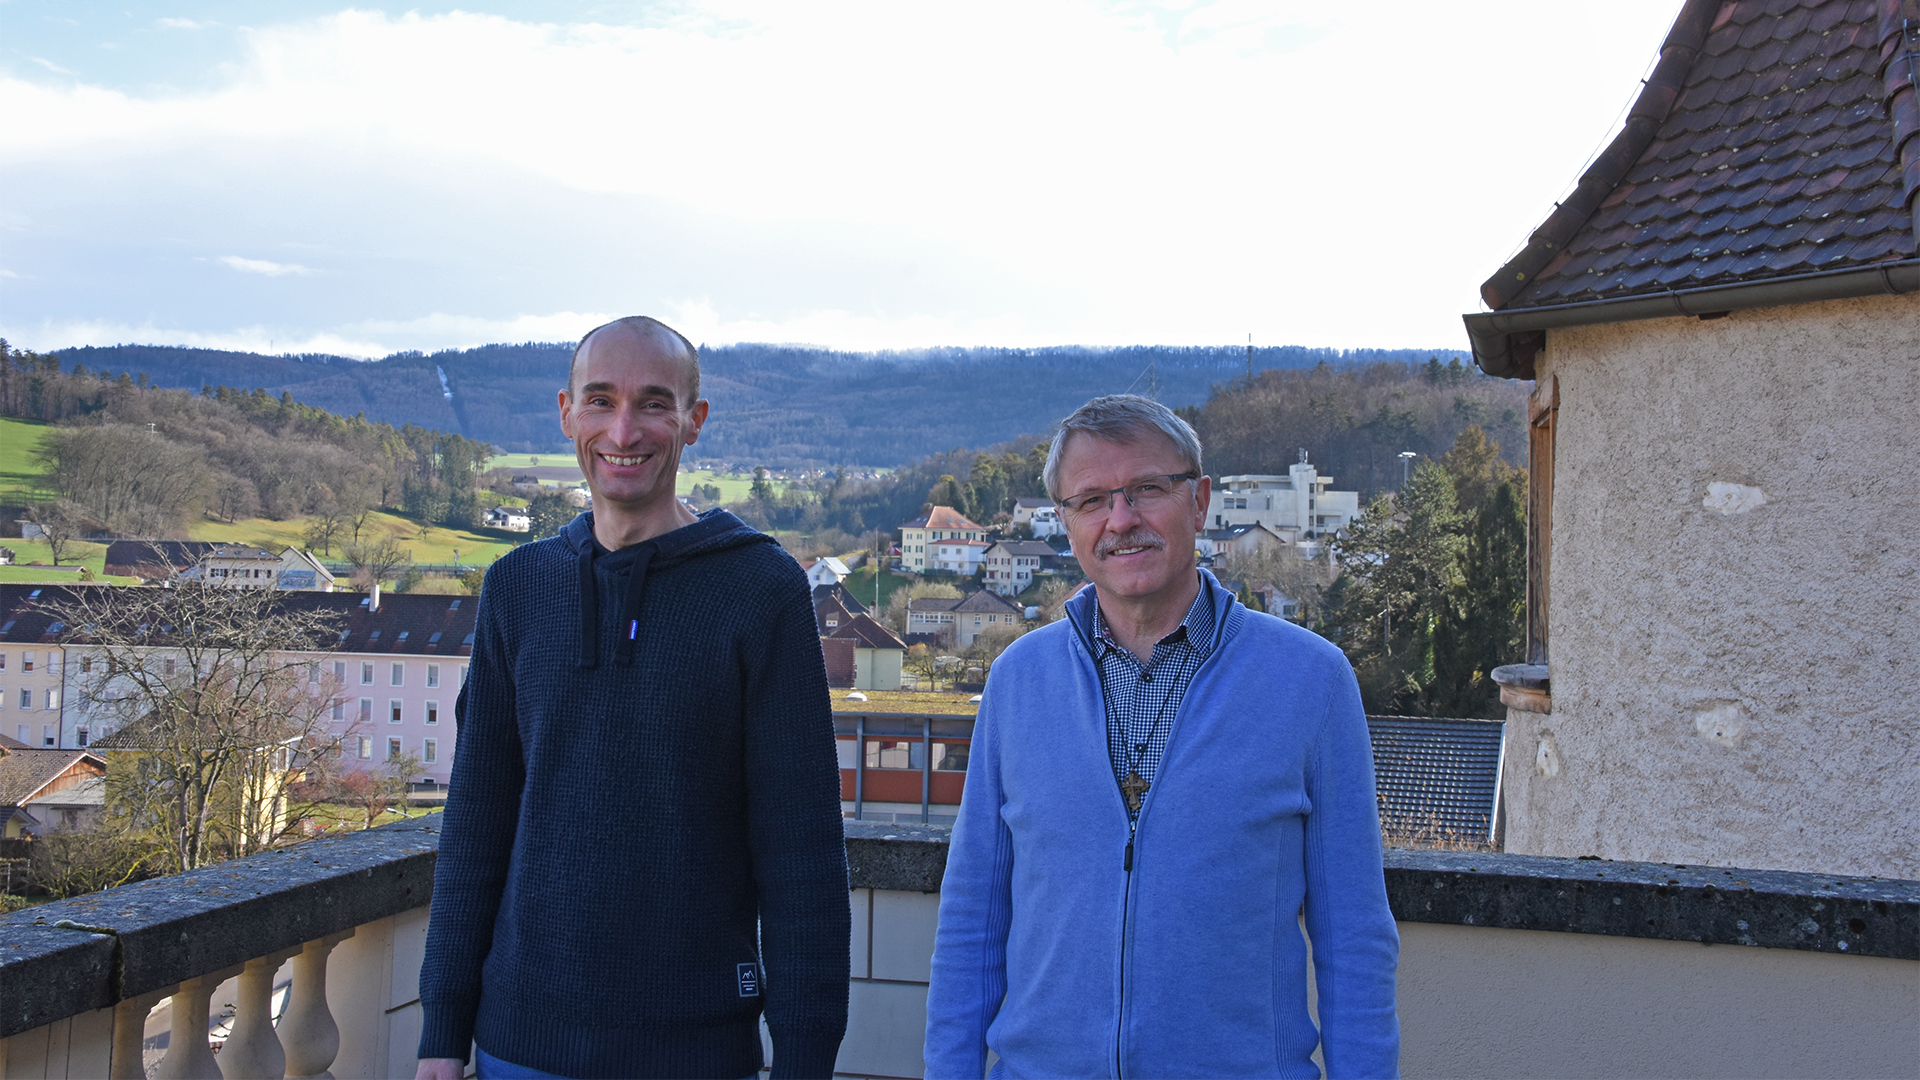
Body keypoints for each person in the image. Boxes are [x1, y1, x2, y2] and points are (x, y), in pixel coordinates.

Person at [415, 316, 849, 1080]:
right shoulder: (517, 587)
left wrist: (805, 1060)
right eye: (600, 400)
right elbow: (478, 820)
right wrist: (442, 1036)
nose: (624, 429)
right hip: (518, 1045)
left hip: (696, 1052)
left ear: (693, 422)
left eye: (653, 403)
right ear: (566, 413)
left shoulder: (760, 589)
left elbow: (801, 850)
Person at [924, 394, 1399, 1079]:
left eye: (1147, 489)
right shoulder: (1016, 683)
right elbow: (973, 922)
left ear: (1199, 502)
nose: (1122, 520)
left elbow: (1353, 938)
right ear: (1065, 521)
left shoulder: (1311, 682)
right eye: (1092, 500)